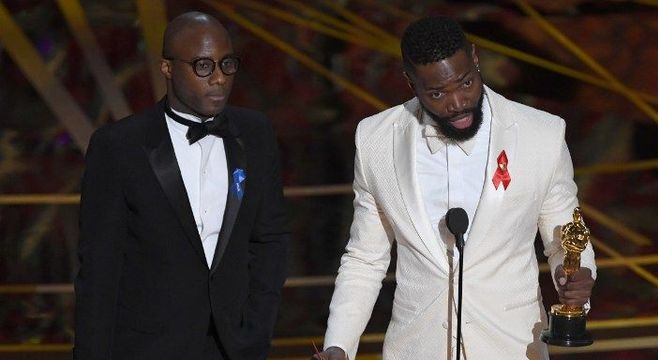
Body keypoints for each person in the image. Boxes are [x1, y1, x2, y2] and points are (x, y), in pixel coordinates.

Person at [315, 16, 596, 360]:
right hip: (417, 348)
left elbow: (566, 237)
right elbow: (365, 258)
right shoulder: (376, 140)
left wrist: (577, 277)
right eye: (437, 93)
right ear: (410, 82)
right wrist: (339, 344)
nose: (457, 103)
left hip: (512, 347)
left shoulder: (542, 135)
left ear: (475, 59)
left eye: (466, 84)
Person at [74, 12, 289, 360]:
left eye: (227, 64)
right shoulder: (118, 146)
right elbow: (99, 270)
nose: (219, 78)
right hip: (147, 348)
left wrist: (257, 329)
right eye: (203, 66)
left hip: (235, 347)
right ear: (167, 68)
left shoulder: (256, 133)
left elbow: (270, 239)